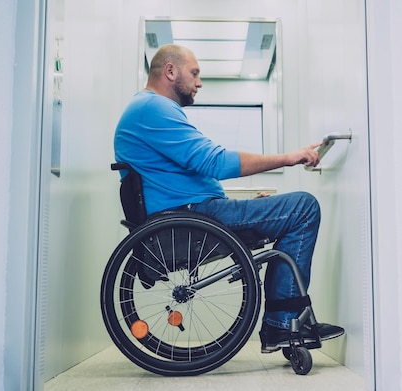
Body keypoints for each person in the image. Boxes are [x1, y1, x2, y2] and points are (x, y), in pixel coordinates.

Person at [114, 44, 344, 353]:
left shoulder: (148, 110)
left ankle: (283, 321)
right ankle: (282, 324)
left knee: (289, 211)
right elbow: (216, 163)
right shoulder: (152, 108)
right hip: (190, 221)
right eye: (194, 73)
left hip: (188, 215)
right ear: (170, 71)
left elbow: (189, 179)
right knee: (302, 207)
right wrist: (290, 157)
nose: (199, 82)